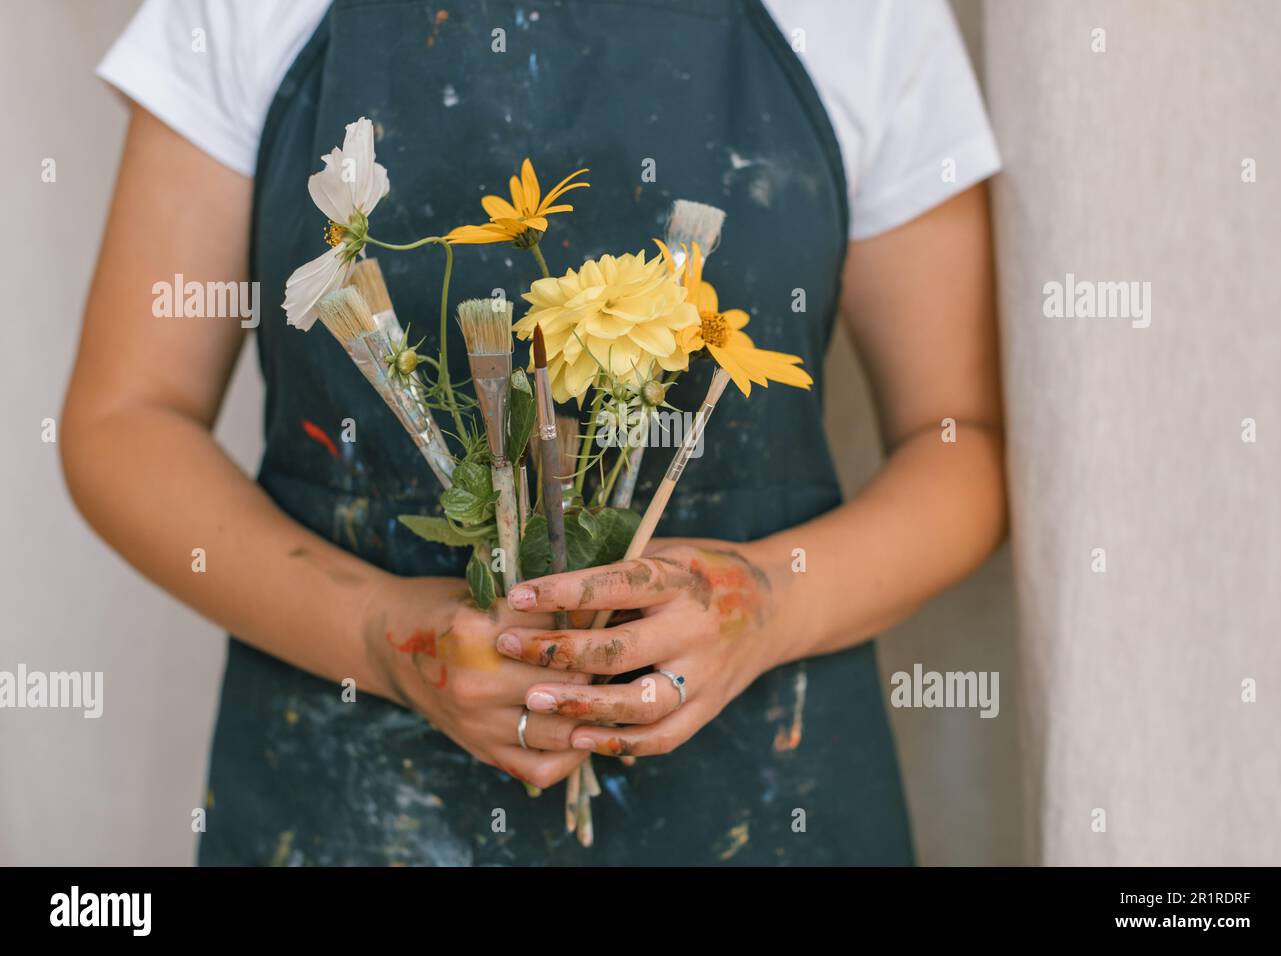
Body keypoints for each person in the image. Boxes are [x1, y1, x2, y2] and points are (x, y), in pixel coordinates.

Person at [62, 0, 1005, 865]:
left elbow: (961, 441)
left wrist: (764, 605)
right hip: (344, 800)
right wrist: (381, 637)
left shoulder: (864, 19)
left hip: (769, 798)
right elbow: (125, 422)